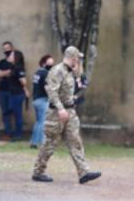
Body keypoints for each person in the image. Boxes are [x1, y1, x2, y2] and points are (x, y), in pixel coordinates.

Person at [32, 46, 101, 184]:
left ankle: (83, 173)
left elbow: (75, 82)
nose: (79, 60)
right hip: (56, 113)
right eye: (78, 58)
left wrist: (69, 105)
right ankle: (38, 172)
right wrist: (60, 109)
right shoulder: (57, 71)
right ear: (73, 57)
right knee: (50, 143)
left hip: (70, 112)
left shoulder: (69, 72)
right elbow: (51, 92)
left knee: (75, 141)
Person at [30, 55, 54, 148]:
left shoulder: (37, 72)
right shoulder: (45, 73)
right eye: (50, 64)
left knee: (38, 122)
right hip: (43, 100)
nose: (51, 66)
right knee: (43, 122)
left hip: (36, 99)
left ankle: (33, 142)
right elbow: (46, 87)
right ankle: (41, 143)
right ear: (44, 63)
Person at [7, 50, 30, 141]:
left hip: (18, 94)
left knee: (18, 115)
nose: (9, 56)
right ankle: (16, 133)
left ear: (16, 57)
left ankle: (18, 135)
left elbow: (24, 81)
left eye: (12, 55)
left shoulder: (19, 68)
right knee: (15, 114)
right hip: (13, 93)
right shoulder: (13, 67)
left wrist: (24, 88)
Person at [0, 41, 14, 141]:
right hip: (2, 90)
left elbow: (14, 74)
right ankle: (7, 133)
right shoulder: (1, 62)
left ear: (12, 49)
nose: (6, 50)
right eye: (5, 48)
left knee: (13, 111)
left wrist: (3, 73)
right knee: (5, 112)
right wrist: (7, 72)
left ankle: (13, 133)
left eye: (8, 48)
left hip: (13, 91)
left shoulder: (16, 62)